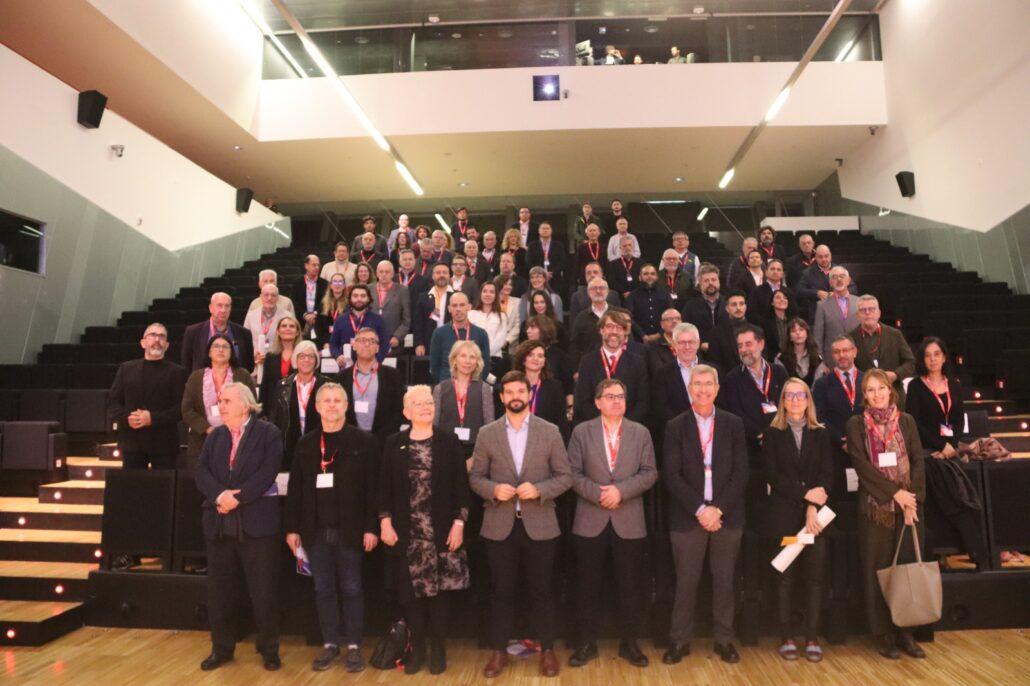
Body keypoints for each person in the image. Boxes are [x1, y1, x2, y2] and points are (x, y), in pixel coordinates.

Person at [469, 371, 573, 678]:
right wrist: (493, 490)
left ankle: (548, 651)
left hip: (540, 524)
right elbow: (476, 477)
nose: (516, 396)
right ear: (502, 397)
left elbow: (565, 477)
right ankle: (498, 651)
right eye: (510, 391)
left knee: (543, 590)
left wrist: (539, 490)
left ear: (530, 395)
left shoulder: (550, 431)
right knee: (501, 592)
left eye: (521, 391)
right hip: (499, 525)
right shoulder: (487, 433)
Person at [283, 383, 379, 673]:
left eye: (338, 400)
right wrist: (292, 528)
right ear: (317, 407)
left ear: (347, 406)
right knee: (323, 589)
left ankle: (354, 646)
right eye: (327, 401)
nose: (332, 405)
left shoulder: (364, 441)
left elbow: (373, 490)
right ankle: (329, 644)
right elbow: (295, 489)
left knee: (352, 588)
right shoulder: (306, 443)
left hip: (351, 530)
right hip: (315, 532)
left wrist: (371, 527)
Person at [567, 378, 657, 668]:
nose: (616, 401)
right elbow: (572, 473)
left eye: (620, 396)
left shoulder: (641, 432)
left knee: (630, 586)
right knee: (587, 585)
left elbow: (649, 473)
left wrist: (621, 491)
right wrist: (599, 495)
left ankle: (630, 644)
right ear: (597, 402)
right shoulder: (581, 432)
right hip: (589, 519)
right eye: (610, 396)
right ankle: (586, 643)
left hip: (629, 520)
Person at [380, 386, 471, 675]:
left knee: (439, 596)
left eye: (429, 402)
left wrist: (459, 523)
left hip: (441, 531)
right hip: (407, 534)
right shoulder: (393, 443)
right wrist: (384, 521)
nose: (425, 407)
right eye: (418, 404)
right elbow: (384, 489)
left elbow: (462, 488)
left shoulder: (449, 442)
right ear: (406, 412)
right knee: (411, 596)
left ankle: (438, 649)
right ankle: (417, 650)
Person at [194, 383, 283, 672]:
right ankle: (221, 649)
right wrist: (220, 496)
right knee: (219, 593)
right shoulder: (216, 436)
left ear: (245, 405)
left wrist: (237, 498)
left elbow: (267, 473)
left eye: (227, 401)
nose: (221, 405)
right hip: (220, 524)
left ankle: (269, 650)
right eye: (220, 400)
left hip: (257, 525)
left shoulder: (269, 433)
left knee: (263, 592)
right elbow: (201, 471)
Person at [662, 365, 747, 665]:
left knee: (725, 582)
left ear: (717, 388)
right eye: (697, 384)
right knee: (686, 582)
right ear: (690, 389)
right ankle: (679, 641)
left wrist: (717, 509)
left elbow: (741, 472)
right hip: (689, 516)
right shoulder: (675, 426)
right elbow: (672, 475)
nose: (703, 389)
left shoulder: (733, 424)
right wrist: (701, 510)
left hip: (726, 516)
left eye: (708, 383)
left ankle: (724, 640)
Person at [846, 369, 926, 660]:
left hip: (908, 509)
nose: (877, 394)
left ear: (890, 391)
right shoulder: (856, 424)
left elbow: (918, 461)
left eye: (881, 388)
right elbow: (861, 466)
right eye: (870, 390)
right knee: (878, 570)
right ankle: (884, 633)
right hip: (875, 509)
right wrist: (895, 494)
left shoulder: (907, 421)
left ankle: (906, 631)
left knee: (905, 569)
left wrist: (911, 500)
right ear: (864, 395)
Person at [763, 378, 834, 662]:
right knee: (786, 579)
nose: (795, 400)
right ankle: (787, 637)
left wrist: (812, 507)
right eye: (789, 395)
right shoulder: (773, 434)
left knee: (815, 579)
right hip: (784, 518)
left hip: (814, 521)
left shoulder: (821, 433)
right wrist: (806, 496)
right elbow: (773, 476)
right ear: (782, 400)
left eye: (800, 395)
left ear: (808, 400)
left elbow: (827, 474)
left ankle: (812, 637)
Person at [906, 337, 987, 569]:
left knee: (959, 491)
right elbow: (914, 423)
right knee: (953, 493)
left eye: (937, 354)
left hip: (950, 451)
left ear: (944, 357)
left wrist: (950, 446)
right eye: (927, 355)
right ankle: (974, 553)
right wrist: (941, 447)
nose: (932, 359)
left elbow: (958, 420)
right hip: (927, 451)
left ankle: (975, 552)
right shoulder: (916, 386)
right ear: (922, 359)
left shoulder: (954, 384)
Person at [108, 322, 187, 469]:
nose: (157, 339)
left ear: (167, 345)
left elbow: (181, 409)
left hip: (164, 444)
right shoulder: (126, 368)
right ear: (143, 343)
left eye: (162, 336)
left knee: (164, 484)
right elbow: (113, 402)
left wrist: (152, 418)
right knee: (134, 484)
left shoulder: (178, 372)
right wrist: (127, 419)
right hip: (132, 442)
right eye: (152, 335)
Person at [182, 334, 256, 470]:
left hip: (236, 439)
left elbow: (251, 406)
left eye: (225, 347)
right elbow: (187, 410)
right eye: (216, 346)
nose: (220, 350)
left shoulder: (242, 375)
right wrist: (208, 429)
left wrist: (232, 428)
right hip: (201, 440)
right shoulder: (196, 377)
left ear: (231, 352)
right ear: (209, 352)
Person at [573, 309, 649, 425]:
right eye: (609, 327)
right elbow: (583, 401)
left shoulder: (638, 362)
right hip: (596, 427)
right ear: (601, 330)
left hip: (628, 427)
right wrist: (604, 423)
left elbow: (643, 402)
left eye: (619, 328)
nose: (614, 331)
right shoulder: (587, 362)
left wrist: (622, 424)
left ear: (625, 332)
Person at [812, 335, 865, 497]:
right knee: (842, 498)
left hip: (866, 448)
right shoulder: (822, 384)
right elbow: (819, 417)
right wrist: (841, 441)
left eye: (846, 350)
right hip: (836, 450)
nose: (841, 355)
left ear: (855, 352)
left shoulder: (868, 379)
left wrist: (861, 440)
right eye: (836, 352)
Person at [266, 341, 331, 470]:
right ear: (295, 360)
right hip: (289, 448)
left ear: (316, 360)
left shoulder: (327, 385)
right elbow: (275, 419)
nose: (306, 360)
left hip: (320, 447)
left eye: (311, 356)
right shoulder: (283, 386)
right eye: (302, 356)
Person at [723, 324, 790, 450]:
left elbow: (788, 404)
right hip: (752, 446)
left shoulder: (779, 372)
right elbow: (735, 413)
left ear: (761, 344)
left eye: (748, 344)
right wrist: (759, 435)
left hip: (783, 440)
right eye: (740, 346)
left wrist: (778, 433)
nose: (743, 349)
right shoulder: (732, 378)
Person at [339, 327, 404, 449]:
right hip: (350, 443)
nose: (367, 344)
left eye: (372, 341)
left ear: (377, 348)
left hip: (383, 444)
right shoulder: (342, 377)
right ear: (354, 346)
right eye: (362, 340)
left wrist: (378, 439)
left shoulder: (393, 375)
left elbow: (399, 411)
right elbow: (339, 411)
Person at [433, 341, 495, 456]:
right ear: (454, 360)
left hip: (476, 451)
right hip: (445, 451)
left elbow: (489, 425)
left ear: (477, 362)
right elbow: (434, 424)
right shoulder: (440, 388)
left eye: (472, 357)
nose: (467, 361)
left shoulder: (484, 388)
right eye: (463, 356)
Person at [850, 295, 915, 401]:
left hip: (894, 397)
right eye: (863, 310)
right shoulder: (850, 338)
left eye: (871, 309)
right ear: (857, 315)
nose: (867, 313)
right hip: (865, 400)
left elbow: (910, 363)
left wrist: (896, 374)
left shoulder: (895, 334)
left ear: (879, 313)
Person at [658, 322, 721, 423]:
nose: (687, 347)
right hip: (678, 429)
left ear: (698, 343)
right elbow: (662, 409)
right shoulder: (662, 374)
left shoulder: (714, 370)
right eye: (682, 342)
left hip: (711, 427)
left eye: (691, 342)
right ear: (674, 344)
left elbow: (721, 404)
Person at [181, 292, 254, 373]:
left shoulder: (244, 333)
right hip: (202, 380)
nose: (223, 310)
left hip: (236, 380)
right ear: (210, 308)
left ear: (230, 308)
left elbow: (249, 366)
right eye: (219, 305)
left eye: (227, 306)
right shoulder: (193, 332)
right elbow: (186, 366)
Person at [429, 292, 491, 383]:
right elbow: (434, 366)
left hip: (473, 385)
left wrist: (475, 383)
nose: (458, 309)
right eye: (454, 306)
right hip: (447, 385)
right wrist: (445, 384)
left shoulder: (481, 334)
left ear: (469, 307)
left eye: (462, 305)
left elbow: (485, 366)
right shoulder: (439, 333)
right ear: (449, 309)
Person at [329, 285, 391, 366]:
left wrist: (377, 361)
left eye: (363, 296)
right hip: (346, 366)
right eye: (355, 296)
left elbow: (385, 344)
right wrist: (337, 356)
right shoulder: (341, 320)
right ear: (350, 299)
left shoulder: (377, 320)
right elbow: (333, 344)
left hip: (371, 366)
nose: (359, 299)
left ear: (368, 299)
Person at [525, 316, 575, 413]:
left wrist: (570, 407)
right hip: (527, 405)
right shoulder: (523, 353)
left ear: (543, 329)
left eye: (532, 327)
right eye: (528, 327)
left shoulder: (559, 356)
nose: (528, 331)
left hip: (553, 406)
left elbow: (568, 384)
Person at [797, 245, 857, 319]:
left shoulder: (841, 270)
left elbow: (853, 288)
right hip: (818, 314)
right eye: (820, 257)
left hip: (840, 313)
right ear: (815, 257)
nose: (824, 259)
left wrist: (839, 293)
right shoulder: (807, 273)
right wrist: (816, 293)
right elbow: (800, 290)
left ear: (830, 255)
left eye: (826, 256)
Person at [812, 266, 859, 359]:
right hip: (832, 360)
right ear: (830, 282)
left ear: (849, 280)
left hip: (857, 358)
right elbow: (818, 337)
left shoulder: (859, 303)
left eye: (842, 276)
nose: (839, 279)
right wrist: (820, 360)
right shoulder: (821, 305)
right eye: (834, 277)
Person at [244, 284, 291, 371]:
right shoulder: (251, 316)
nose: (269, 298)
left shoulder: (288, 316)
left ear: (277, 298)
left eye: (273, 295)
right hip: (255, 365)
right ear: (261, 297)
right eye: (266, 295)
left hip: (278, 366)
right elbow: (245, 341)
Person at [682, 263, 727, 350]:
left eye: (713, 280)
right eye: (706, 281)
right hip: (699, 353)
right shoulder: (690, 306)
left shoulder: (728, 303)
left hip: (726, 351)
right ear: (700, 284)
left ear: (719, 282)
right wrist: (700, 345)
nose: (710, 283)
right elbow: (685, 330)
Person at [258, 316, 302, 402]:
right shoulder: (270, 356)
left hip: (297, 404)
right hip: (273, 405)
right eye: (284, 326)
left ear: (297, 332)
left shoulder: (303, 355)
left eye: (292, 326)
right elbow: (265, 386)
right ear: (278, 331)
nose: (288, 328)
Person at [569, 277, 613, 363]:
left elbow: (628, 342)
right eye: (594, 288)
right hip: (590, 365)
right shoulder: (581, 317)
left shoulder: (618, 315)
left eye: (601, 288)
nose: (598, 291)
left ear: (608, 291)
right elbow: (574, 345)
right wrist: (576, 368)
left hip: (616, 364)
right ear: (588, 292)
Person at [371, 260, 410, 352]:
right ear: (377, 273)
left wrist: (397, 336)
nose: (384, 274)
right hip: (371, 341)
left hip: (393, 341)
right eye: (381, 272)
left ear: (392, 274)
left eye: (387, 272)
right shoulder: (368, 289)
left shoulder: (402, 290)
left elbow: (406, 319)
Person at [626, 264, 672, 341]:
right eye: (646, 274)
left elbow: (671, 316)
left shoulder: (665, 294)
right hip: (639, 339)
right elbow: (628, 318)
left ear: (657, 277)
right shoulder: (632, 296)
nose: (649, 276)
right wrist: (642, 335)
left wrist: (659, 334)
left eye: (652, 274)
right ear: (640, 277)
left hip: (663, 338)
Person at [706, 290, 750, 371]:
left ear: (745, 307)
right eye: (734, 305)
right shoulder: (716, 333)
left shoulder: (757, 331)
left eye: (741, 304)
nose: (738, 308)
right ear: (727, 308)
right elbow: (715, 365)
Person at [469, 281, 510, 366]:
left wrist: (484, 355)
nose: (488, 294)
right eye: (485, 291)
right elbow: (469, 337)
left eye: (491, 292)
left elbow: (500, 340)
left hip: (495, 359)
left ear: (496, 295)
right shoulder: (470, 314)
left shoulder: (502, 316)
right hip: (473, 358)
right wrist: (477, 355)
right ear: (480, 294)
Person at [777, 317, 823, 387]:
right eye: (793, 331)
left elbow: (817, 386)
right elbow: (782, 384)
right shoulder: (781, 358)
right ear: (790, 337)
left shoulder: (817, 358)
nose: (798, 333)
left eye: (801, 330)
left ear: (807, 334)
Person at [291, 255, 327, 338]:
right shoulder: (297, 283)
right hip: (301, 322)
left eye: (318, 265)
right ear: (306, 266)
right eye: (314, 265)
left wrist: (315, 314)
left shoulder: (325, 284)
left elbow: (325, 302)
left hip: (319, 321)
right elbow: (294, 302)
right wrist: (304, 315)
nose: (317, 267)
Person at [746, 258, 792, 323]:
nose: (775, 272)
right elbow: (751, 314)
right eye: (772, 269)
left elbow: (793, 313)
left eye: (778, 270)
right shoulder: (757, 291)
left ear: (782, 274)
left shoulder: (788, 292)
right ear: (766, 272)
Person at [526, 221, 566, 295]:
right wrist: (540, 273)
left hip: (554, 279)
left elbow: (562, 261)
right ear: (539, 231)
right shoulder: (532, 245)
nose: (545, 230)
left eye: (547, 228)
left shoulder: (558, 245)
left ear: (551, 231)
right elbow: (528, 261)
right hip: (537, 279)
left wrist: (552, 272)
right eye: (543, 228)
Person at [644, 307, 682, 380]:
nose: (674, 321)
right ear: (662, 324)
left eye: (678, 318)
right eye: (669, 319)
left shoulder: (689, 342)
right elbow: (657, 372)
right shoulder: (653, 346)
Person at [758, 289, 797, 358]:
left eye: (785, 298)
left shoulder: (794, 320)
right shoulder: (765, 323)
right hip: (773, 358)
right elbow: (764, 346)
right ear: (772, 303)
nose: (782, 300)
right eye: (778, 297)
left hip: (794, 356)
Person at [313, 273, 348, 346]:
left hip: (344, 342)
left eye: (340, 282)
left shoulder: (349, 304)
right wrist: (325, 343)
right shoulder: (323, 304)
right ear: (330, 285)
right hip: (326, 342)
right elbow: (318, 327)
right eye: (335, 281)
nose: (337, 284)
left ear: (344, 285)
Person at [607, 234, 642, 300]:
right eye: (624, 246)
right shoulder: (613, 264)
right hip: (619, 296)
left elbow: (643, 280)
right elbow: (611, 281)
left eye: (629, 245)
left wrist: (633, 293)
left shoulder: (641, 263)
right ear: (620, 248)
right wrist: (623, 292)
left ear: (633, 247)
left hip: (638, 296)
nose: (627, 248)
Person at [494, 275, 523, 350]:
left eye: (510, 284)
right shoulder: (491, 302)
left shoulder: (518, 302)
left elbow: (518, 325)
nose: (509, 287)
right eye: (505, 284)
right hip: (492, 341)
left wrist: (507, 340)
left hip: (510, 345)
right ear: (498, 285)